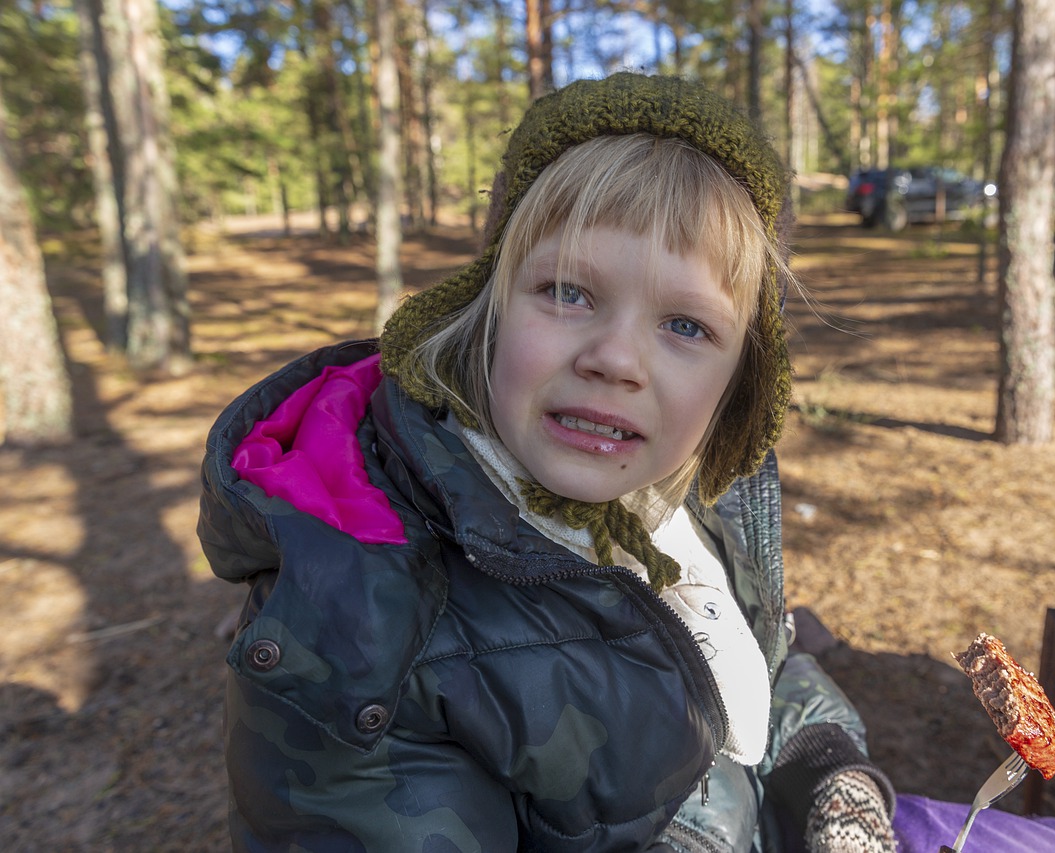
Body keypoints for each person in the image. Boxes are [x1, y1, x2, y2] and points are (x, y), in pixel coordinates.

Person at [199, 72, 897, 852]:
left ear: (738, 381)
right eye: (568, 291)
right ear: (487, 308)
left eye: (686, 325)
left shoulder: (678, 500)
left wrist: (833, 770)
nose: (616, 358)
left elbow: (753, 652)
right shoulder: (366, 647)